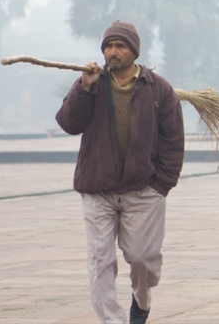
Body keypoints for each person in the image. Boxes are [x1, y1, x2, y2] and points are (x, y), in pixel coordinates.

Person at [56, 21, 184, 324]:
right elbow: (68, 123)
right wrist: (83, 87)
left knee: (143, 260)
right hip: (97, 188)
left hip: (144, 190)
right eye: (108, 46)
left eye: (120, 46)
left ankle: (142, 299)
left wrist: (161, 185)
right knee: (100, 261)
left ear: (134, 51)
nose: (112, 52)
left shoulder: (159, 89)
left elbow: (174, 141)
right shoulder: (93, 83)